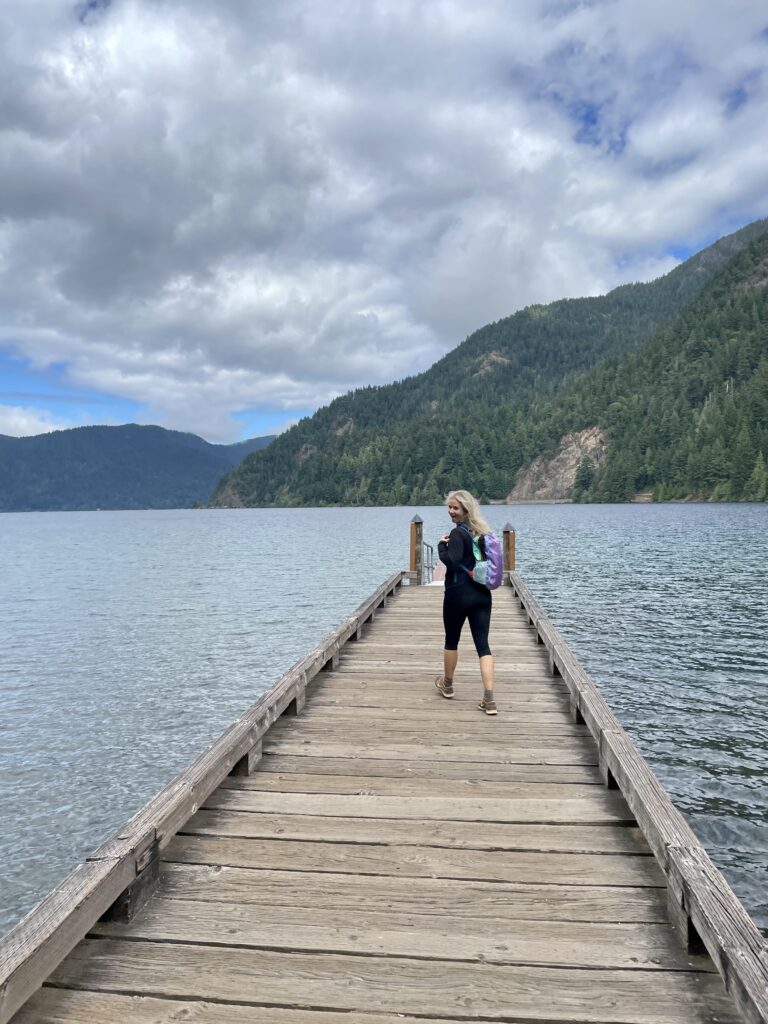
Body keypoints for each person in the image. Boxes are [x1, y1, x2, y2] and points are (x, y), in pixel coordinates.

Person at [435, 489, 497, 715]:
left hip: (458, 594)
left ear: (465, 510)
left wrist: (442, 545)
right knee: (483, 646)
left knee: (451, 640)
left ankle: (448, 685)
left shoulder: (457, 533)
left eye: (455, 508)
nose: (451, 512)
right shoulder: (482, 532)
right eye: (449, 507)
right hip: (482, 595)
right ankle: (489, 699)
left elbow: (451, 563)